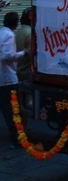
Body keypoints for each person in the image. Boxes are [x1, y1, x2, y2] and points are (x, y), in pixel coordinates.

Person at [1, 11, 26, 147]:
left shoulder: (2, 33)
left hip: (4, 78)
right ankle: (18, 138)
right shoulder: (9, 35)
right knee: (13, 111)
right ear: (16, 23)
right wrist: (24, 53)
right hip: (8, 79)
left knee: (8, 110)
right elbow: (7, 56)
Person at [13, 9, 31, 83]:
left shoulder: (16, 33)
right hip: (27, 75)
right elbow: (31, 55)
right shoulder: (30, 33)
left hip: (17, 72)